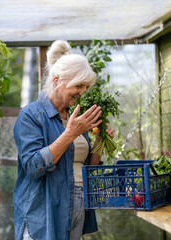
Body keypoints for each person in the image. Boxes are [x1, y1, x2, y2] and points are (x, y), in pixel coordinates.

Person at [13, 40, 115, 240]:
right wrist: (70, 134)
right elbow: (33, 166)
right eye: (79, 85)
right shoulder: (31, 116)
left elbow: (86, 168)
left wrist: (100, 142)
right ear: (57, 81)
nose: (83, 92)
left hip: (76, 207)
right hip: (43, 213)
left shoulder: (75, 117)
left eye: (86, 87)